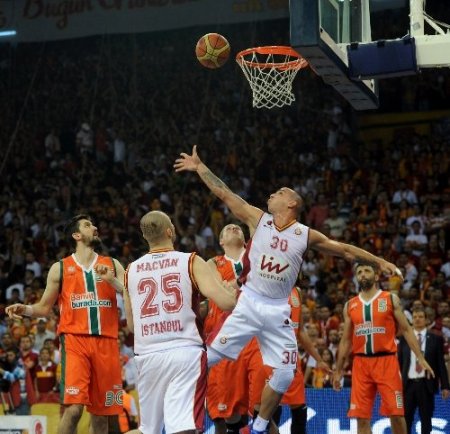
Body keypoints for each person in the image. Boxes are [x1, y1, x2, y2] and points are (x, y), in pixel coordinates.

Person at [174, 145, 402, 434]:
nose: (272, 195)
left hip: (278, 310)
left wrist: (379, 260)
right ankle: (178, 405)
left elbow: (344, 250)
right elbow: (225, 193)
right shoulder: (259, 220)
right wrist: (200, 167)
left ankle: (258, 427)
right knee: (207, 358)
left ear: (292, 203)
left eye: (279, 192)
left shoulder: (305, 235)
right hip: (249, 303)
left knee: (283, 376)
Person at [6, 214, 125, 434]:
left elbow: (130, 292)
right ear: (77, 235)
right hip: (74, 341)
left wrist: (112, 281)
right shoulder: (59, 268)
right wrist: (25, 310)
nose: (96, 227)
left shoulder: (112, 264)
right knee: (74, 410)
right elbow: (43, 308)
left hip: (107, 343)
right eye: (89, 225)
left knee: (102, 415)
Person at [123, 210, 236, 434]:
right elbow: (227, 303)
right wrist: (232, 290)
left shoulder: (130, 270)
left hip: (147, 355)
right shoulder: (190, 261)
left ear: (145, 237)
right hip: (184, 353)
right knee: (183, 427)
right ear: (170, 231)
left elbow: (132, 326)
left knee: (147, 430)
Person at [333, 263, 434, 434]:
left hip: (387, 362)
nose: (363, 274)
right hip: (361, 364)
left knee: (396, 414)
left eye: (366, 270)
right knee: (362, 418)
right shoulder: (350, 305)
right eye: (359, 272)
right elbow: (345, 341)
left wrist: (420, 358)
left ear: (377, 276)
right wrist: (338, 370)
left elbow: (408, 330)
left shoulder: (389, 298)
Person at [398, 307, 450, 434]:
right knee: (406, 419)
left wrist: (445, 386)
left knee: (426, 420)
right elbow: (399, 364)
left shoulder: (435, 339)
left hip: (426, 385)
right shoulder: (404, 339)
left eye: (420, 317)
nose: (417, 319)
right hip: (408, 385)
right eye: (415, 317)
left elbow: (440, 364)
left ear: (426, 320)